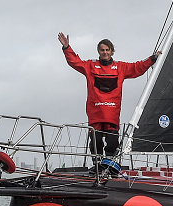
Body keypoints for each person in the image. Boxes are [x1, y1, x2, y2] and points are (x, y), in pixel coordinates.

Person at [58, 32, 160, 160]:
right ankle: (97, 165)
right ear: (98, 51)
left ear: (112, 51)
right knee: (96, 141)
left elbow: (137, 67)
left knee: (112, 141)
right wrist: (67, 47)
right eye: (102, 50)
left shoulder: (120, 67)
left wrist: (152, 59)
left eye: (107, 50)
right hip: (95, 113)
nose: (105, 52)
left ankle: (109, 163)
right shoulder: (90, 66)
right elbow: (75, 62)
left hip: (112, 114)